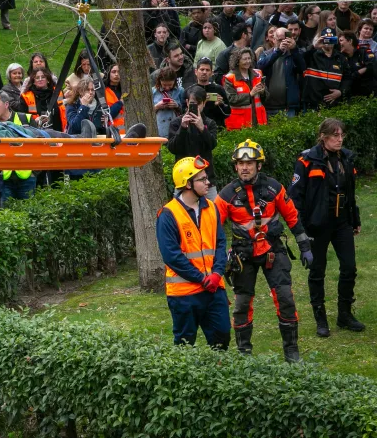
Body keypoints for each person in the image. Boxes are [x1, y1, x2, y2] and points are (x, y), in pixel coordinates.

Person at [215, 139, 313, 362]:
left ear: (259, 165)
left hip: (272, 250)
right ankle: (244, 354)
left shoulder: (274, 188)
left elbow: (292, 217)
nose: (245, 167)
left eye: (250, 163)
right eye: (240, 163)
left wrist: (305, 246)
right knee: (241, 305)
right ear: (236, 166)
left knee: (285, 298)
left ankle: (291, 352)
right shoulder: (226, 195)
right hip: (243, 254)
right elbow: (213, 228)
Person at [289, 118, 364, 337]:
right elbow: (296, 197)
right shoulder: (306, 160)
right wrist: (301, 230)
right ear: (323, 136)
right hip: (317, 224)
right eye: (335, 135)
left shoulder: (346, 158)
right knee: (317, 271)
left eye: (342, 135)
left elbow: (350, 194)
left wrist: (355, 219)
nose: (340, 140)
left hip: (342, 223)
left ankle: (344, 315)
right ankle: (320, 319)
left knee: (349, 268)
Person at [155, 156, 230, 350]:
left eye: (206, 178)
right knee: (184, 346)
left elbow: (220, 243)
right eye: (202, 179)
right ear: (188, 184)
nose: (208, 182)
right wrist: (201, 279)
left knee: (222, 339)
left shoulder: (211, 208)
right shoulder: (168, 215)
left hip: (214, 289)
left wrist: (216, 274)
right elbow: (172, 256)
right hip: (184, 294)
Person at [167, 86, 219, 200]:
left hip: (207, 180)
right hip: (183, 181)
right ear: (187, 102)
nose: (196, 107)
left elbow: (212, 145)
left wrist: (202, 128)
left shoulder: (210, 123)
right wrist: (183, 128)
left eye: (199, 103)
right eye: (192, 103)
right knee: (181, 215)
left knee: (212, 214)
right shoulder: (176, 123)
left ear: (204, 103)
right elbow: (172, 148)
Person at [257, 27, 305, 118]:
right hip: (268, 106)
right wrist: (278, 51)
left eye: (286, 40)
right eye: (280, 40)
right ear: (274, 40)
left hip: (288, 107)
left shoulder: (294, 54)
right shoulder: (266, 54)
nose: (283, 43)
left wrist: (294, 49)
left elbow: (302, 68)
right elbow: (260, 67)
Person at [303, 28, 352, 111]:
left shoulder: (341, 58)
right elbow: (302, 60)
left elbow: (348, 78)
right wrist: (314, 47)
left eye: (331, 39)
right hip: (312, 103)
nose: (328, 41)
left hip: (333, 103)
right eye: (326, 39)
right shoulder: (312, 54)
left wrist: (340, 91)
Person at [224, 47, 267, 130]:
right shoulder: (230, 77)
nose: (248, 61)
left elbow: (266, 97)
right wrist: (250, 94)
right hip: (240, 124)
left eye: (249, 58)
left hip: (258, 121)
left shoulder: (258, 73)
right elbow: (231, 99)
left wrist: (263, 92)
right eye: (244, 59)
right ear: (237, 61)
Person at [191, 57, 231, 129]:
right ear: (196, 72)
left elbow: (228, 113)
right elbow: (184, 112)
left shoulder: (219, 89)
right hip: (195, 129)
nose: (204, 72)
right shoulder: (190, 90)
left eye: (207, 70)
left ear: (212, 73)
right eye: (202, 69)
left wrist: (221, 104)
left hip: (217, 129)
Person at [339, 30, 376, 97]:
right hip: (351, 94)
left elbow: (371, 65)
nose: (339, 43)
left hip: (368, 93)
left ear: (350, 41)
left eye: (341, 40)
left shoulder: (363, 51)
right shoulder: (340, 56)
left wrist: (356, 73)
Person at [152, 67, 184, 138]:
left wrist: (176, 106)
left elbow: (185, 109)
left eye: (170, 85)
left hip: (175, 127)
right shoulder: (153, 91)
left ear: (174, 81)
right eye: (164, 85)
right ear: (159, 81)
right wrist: (157, 106)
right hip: (159, 127)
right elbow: (147, 112)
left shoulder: (180, 91)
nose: (167, 88)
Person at [103, 63, 126, 130]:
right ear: (108, 74)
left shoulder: (125, 90)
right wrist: (120, 102)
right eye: (113, 72)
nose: (116, 74)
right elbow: (108, 115)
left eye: (119, 72)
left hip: (128, 132)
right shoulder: (104, 92)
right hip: (111, 132)